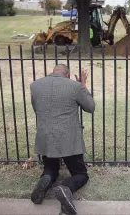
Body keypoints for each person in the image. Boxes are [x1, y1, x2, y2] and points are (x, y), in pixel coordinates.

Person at [30, 64, 95, 215]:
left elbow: (36, 109)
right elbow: (90, 107)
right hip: (68, 138)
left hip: (45, 137)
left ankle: (46, 178)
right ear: (68, 75)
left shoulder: (36, 86)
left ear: (53, 72)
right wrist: (83, 85)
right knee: (80, 174)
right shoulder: (75, 86)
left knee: (51, 168)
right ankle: (66, 187)